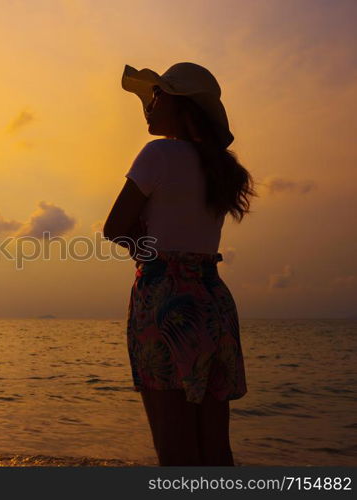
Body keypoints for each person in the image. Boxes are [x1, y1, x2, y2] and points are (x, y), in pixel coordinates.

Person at [103, 62, 256, 466]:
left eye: (157, 96)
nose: (149, 105)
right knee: (215, 450)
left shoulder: (159, 154)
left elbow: (115, 227)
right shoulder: (222, 168)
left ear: (181, 104)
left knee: (176, 454)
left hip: (165, 299)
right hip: (212, 299)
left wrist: (145, 249)